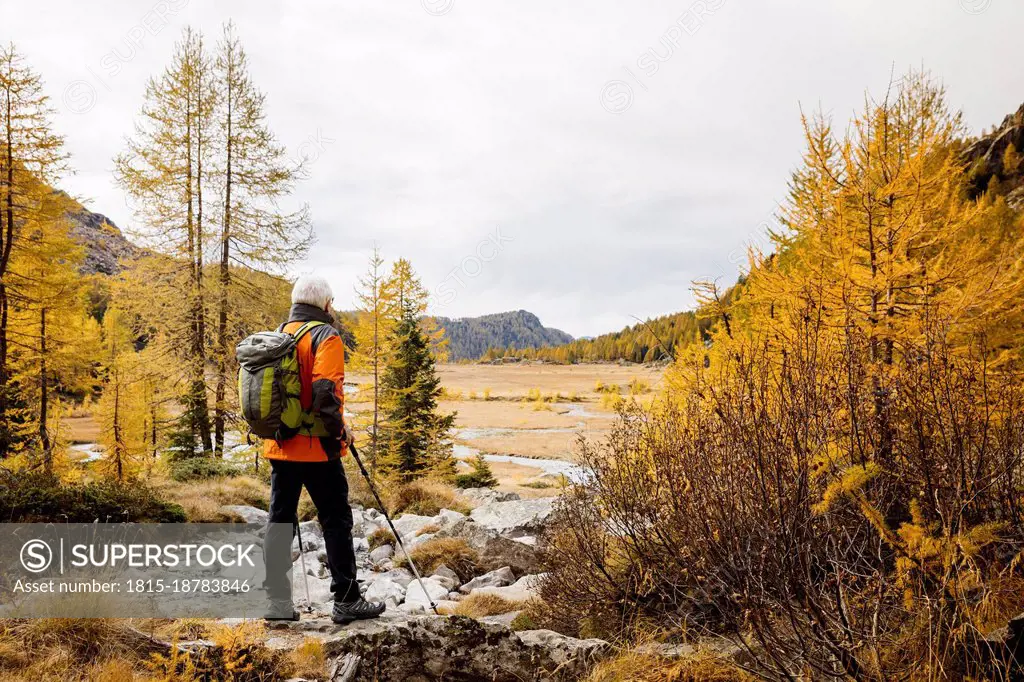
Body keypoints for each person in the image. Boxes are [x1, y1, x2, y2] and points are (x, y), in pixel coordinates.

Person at [262, 274, 385, 624]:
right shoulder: (326, 336)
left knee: (279, 522)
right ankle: (346, 599)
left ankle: (276, 602)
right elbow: (324, 394)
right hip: (316, 449)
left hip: (280, 445)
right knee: (335, 520)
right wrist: (340, 433)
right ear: (326, 304)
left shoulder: (280, 335)